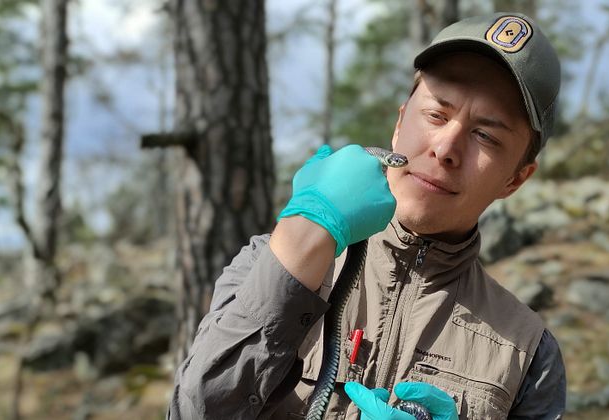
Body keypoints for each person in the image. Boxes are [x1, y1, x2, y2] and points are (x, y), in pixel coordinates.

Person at [167, 12, 566, 420]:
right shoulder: (265, 262)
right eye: (435, 114)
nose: (446, 148)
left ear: (515, 180)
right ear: (398, 124)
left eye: (486, 135)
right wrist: (307, 229)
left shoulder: (531, 355)